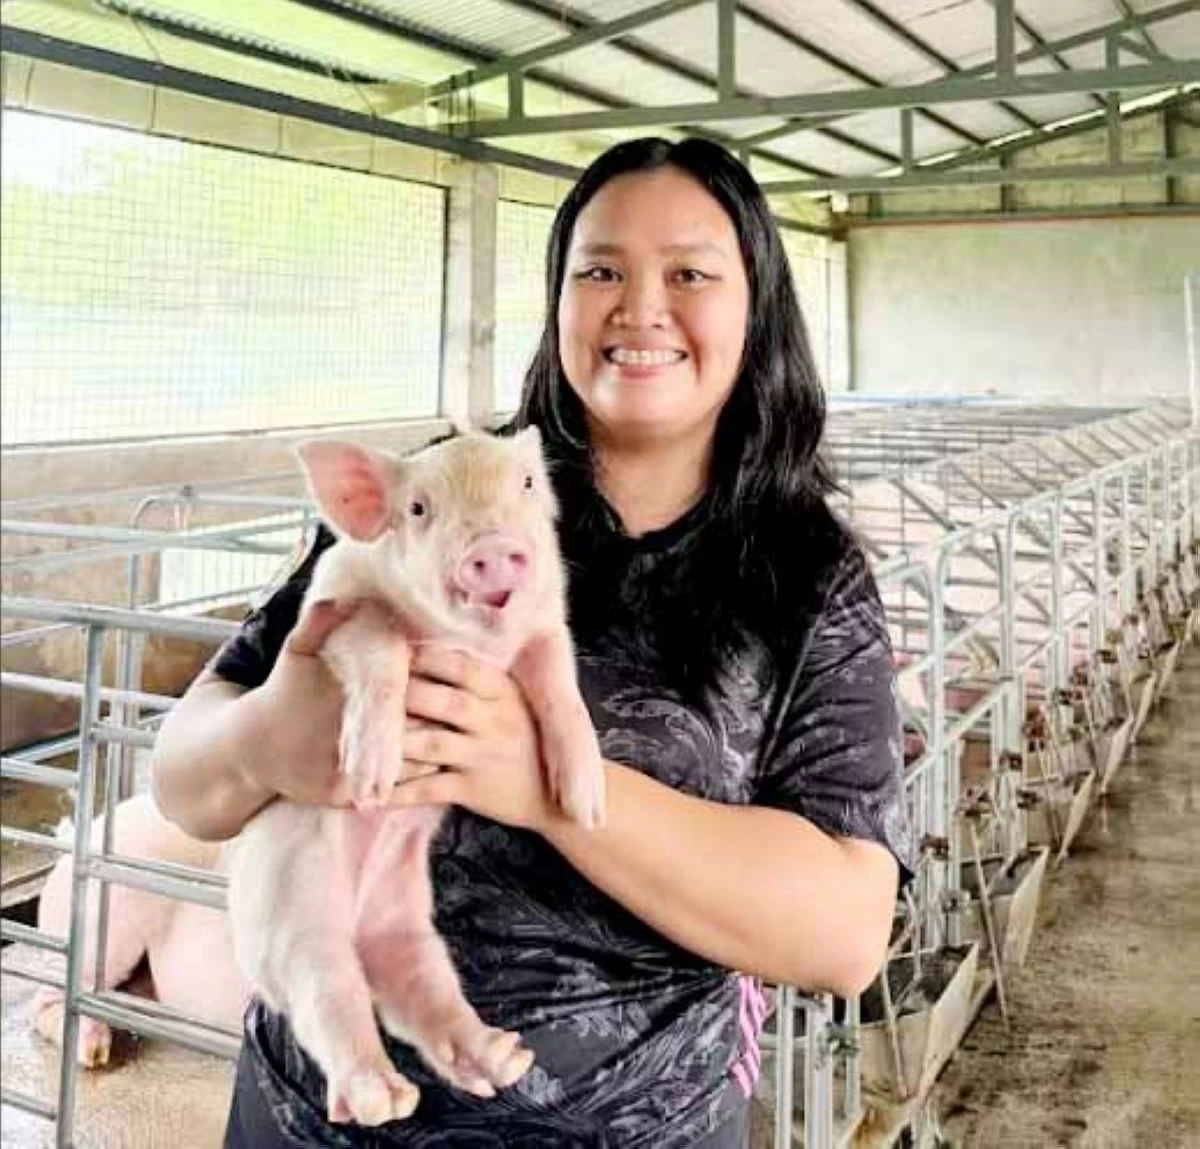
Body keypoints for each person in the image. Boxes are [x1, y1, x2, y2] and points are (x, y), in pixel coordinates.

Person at [151, 136, 912, 1148]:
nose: (639, 307)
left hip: (630, 1127)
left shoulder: (807, 579)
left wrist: (545, 780)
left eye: (689, 272)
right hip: (308, 1115)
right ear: (558, 304)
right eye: (599, 270)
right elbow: (182, 777)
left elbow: (847, 935)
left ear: (756, 305)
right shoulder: (438, 490)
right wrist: (263, 739)